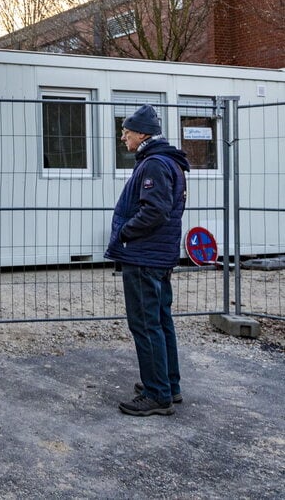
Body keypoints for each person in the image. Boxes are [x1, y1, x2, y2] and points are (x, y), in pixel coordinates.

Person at [105, 105, 189, 417]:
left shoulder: (154, 164)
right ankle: (168, 384)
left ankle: (157, 394)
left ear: (142, 134)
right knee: (160, 319)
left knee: (145, 322)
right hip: (158, 254)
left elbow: (155, 210)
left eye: (126, 131)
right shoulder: (166, 161)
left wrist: (126, 232)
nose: (122, 136)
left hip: (144, 255)